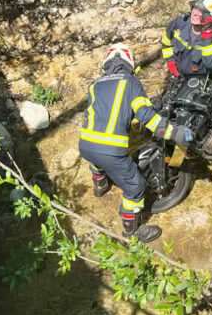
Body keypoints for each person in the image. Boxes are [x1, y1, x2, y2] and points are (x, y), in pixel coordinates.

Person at [79, 43, 192, 243]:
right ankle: (133, 230)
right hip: (111, 150)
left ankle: (100, 185)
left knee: (98, 159)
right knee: (135, 186)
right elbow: (147, 116)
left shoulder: (95, 85)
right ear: (129, 63)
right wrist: (173, 132)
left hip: (86, 145)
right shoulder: (130, 82)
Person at [161, 0, 212, 78]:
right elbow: (166, 41)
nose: (195, 13)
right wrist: (170, 61)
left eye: (201, 11)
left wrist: (207, 34)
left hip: (207, 81)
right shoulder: (180, 23)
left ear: (211, 16)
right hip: (180, 77)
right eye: (194, 8)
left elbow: (210, 63)